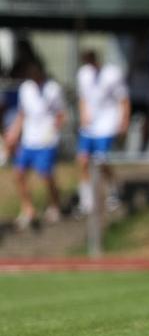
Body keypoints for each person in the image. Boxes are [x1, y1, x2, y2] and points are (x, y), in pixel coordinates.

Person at [4, 60, 65, 229]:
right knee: (19, 174)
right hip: (29, 139)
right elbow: (22, 113)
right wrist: (14, 132)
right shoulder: (26, 89)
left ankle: (54, 204)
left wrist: (54, 131)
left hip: (46, 140)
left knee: (46, 175)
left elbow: (61, 114)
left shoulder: (53, 89)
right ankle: (27, 208)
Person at [76, 50, 130, 214]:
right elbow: (83, 98)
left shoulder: (112, 74)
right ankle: (86, 199)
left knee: (101, 160)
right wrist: (83, 115)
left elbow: (123, 98)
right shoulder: (83, 74)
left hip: (107, 123)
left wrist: (124, 121)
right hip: (90, 125)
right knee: (83, 160)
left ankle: (112, 189)